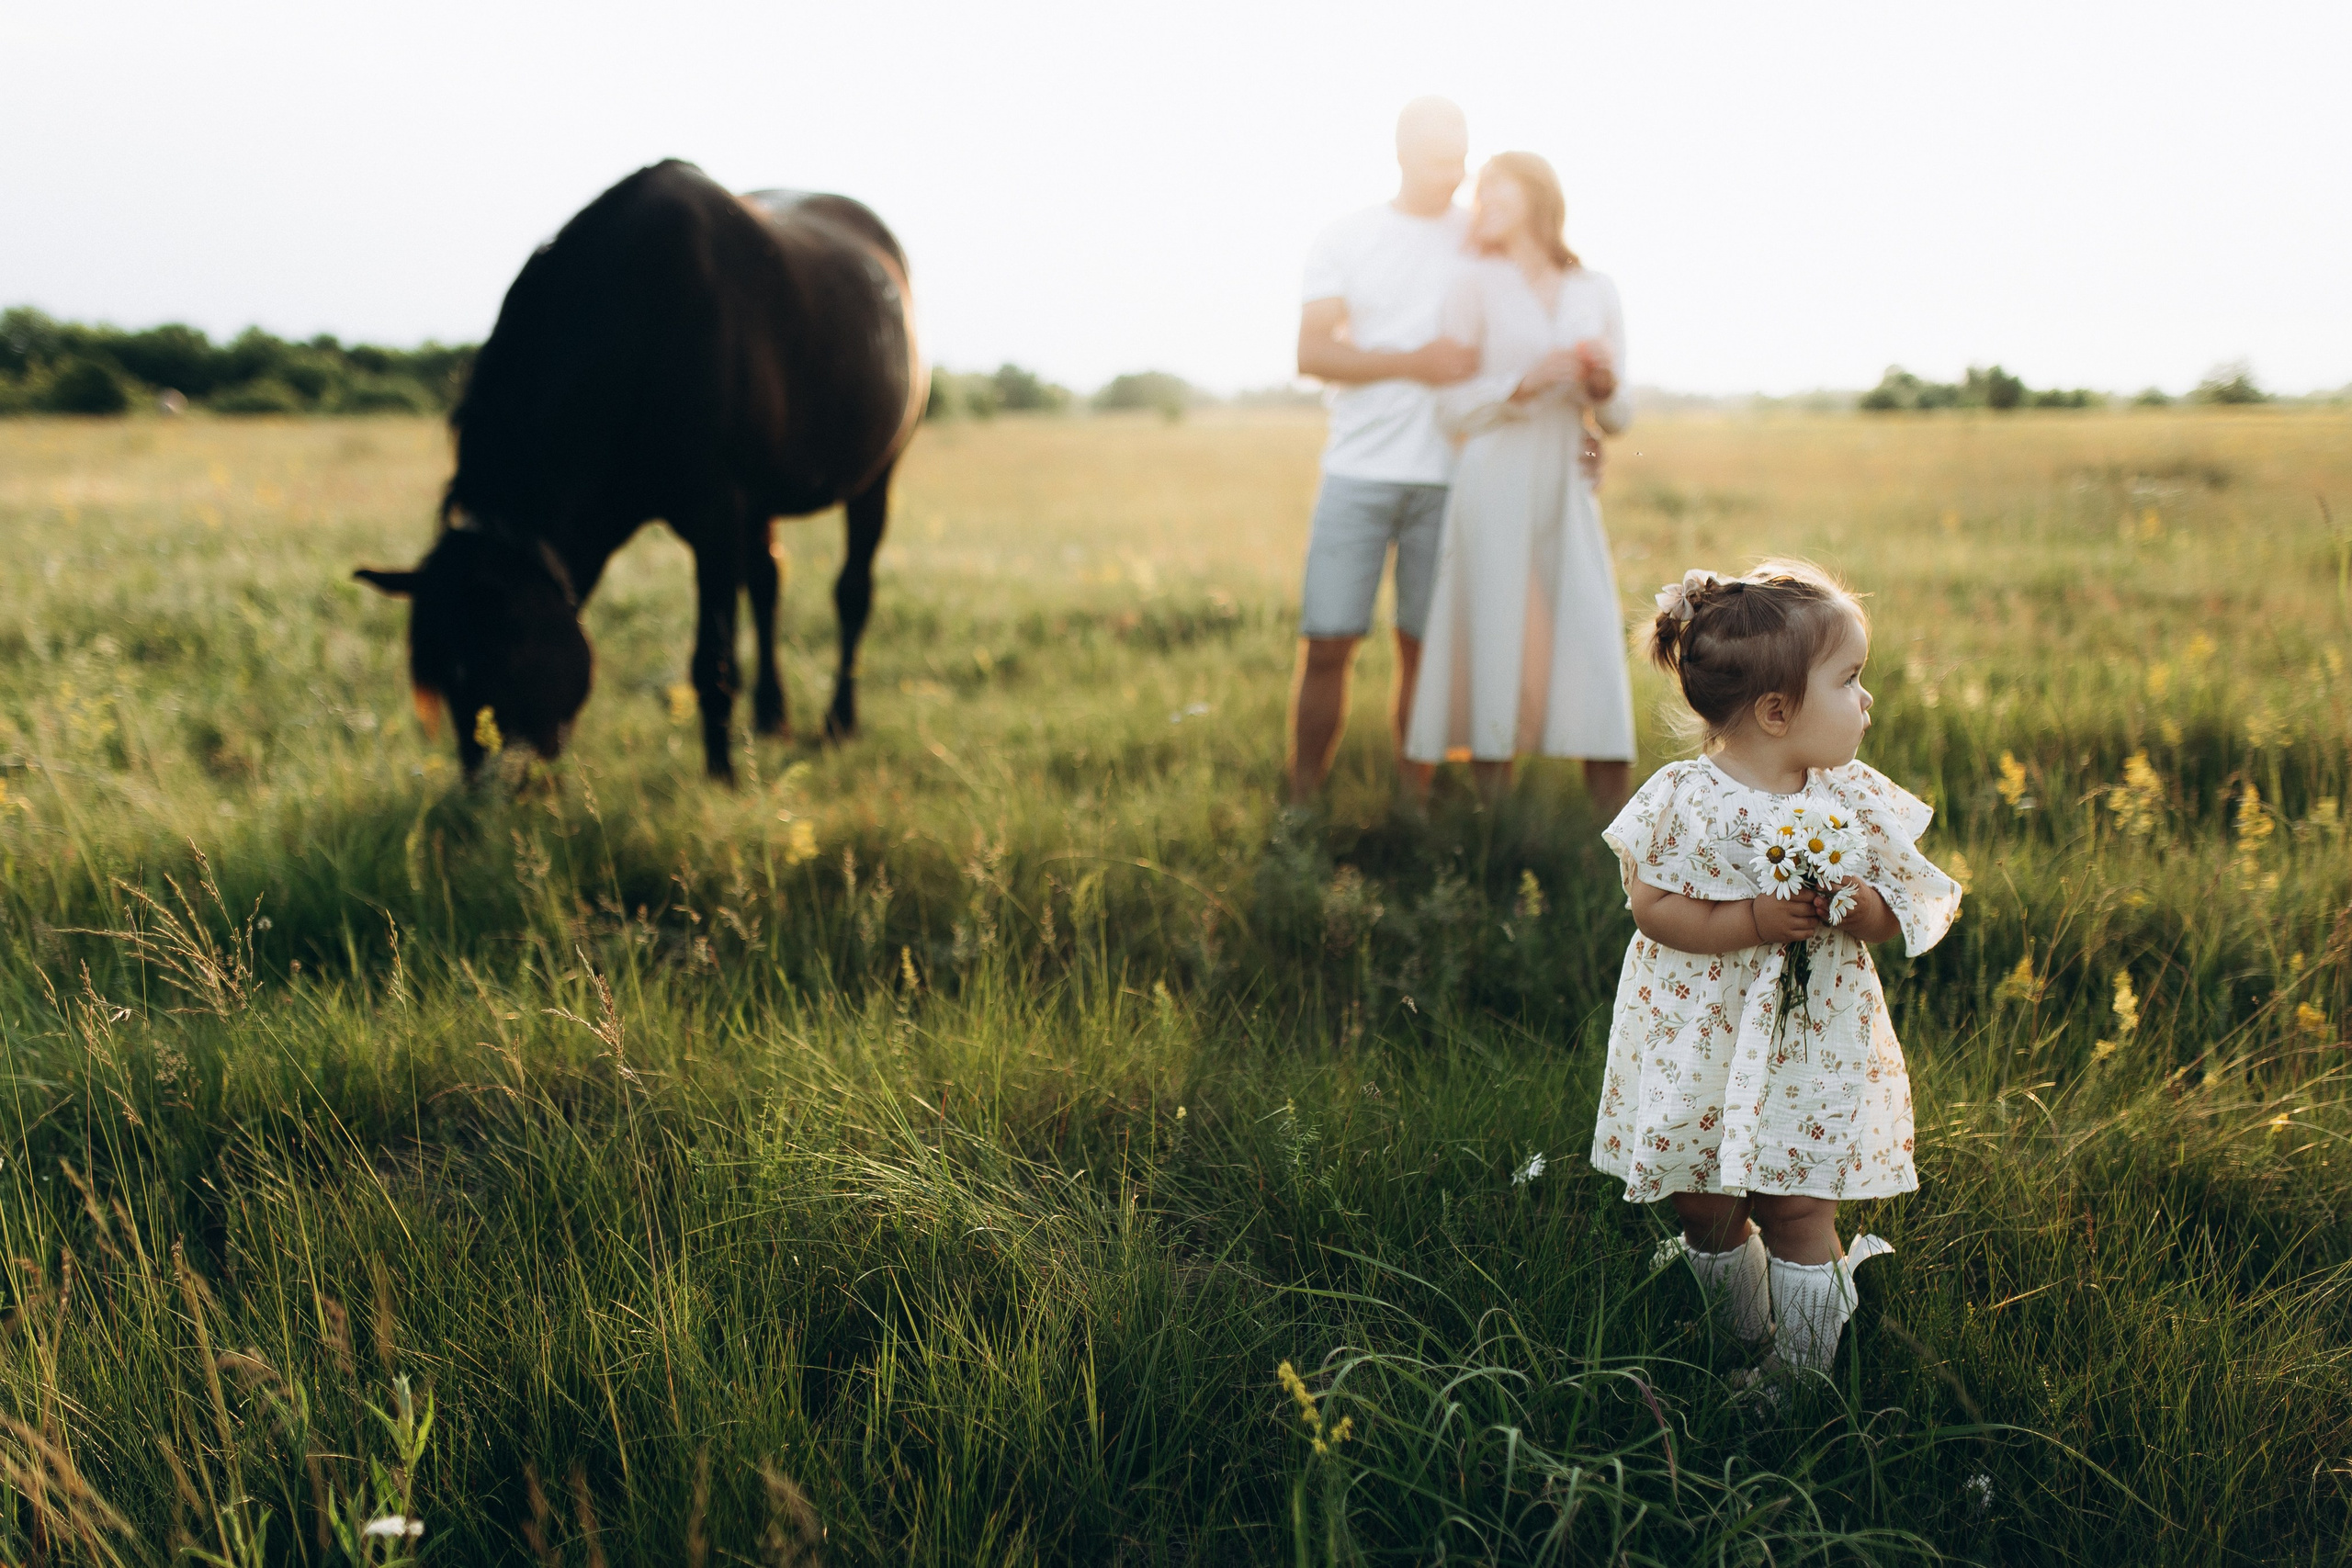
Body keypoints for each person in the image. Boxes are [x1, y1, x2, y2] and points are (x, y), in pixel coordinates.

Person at [1589, 563, 1962, 1378]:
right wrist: (1748, 921)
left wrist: (1857, 905)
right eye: (1849, 680)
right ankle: (1739, 1335)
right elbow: (1651, 904)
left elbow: (1896, 908)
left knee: (1796, 1204)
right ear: (1776, 711)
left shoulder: (1848, 799)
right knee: (1704, 1201)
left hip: (1808, 1043)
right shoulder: (1686, 798)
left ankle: (1799, 1375)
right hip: (1701, 1036)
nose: (1866, 699)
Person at [1403, 152, 1633, 818]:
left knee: (1591, 637)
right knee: (1494, 629)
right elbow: (1448, 410)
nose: (1484, 202)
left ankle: (1613, 835)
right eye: (1481, 193)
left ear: (1536, 194)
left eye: (1496, 188)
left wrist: (1603, 387)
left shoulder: (1596, 288)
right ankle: (1494, 826)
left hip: (1567, 476)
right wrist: (1521, 383)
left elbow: (1620, 419)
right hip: (1493, 474)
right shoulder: (1471, 284)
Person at [1287, 96, 1480, 804]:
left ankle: (1413, 803)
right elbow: (1312, 351)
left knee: (1423, 651)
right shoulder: (1348, 236)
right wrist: (1415, 362)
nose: (1454, 173)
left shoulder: (1481, 238)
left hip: (1450, 477)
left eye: (1461, 158)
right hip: (1357, 473)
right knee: (1328, 642)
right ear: (1401, 153)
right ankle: (1301, 800)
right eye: (1438, 159)